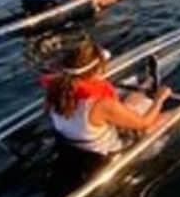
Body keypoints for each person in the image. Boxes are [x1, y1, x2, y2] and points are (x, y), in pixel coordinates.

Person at [42, 39, 171, 157]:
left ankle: (148, 83)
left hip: (77, 146)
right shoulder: (101, 105)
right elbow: (144, 123)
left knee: (127, 107)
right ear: (96, 70)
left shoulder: (55, 92)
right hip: (106, 151)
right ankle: (154, 92)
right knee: (164, 117)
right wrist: (160, 99)